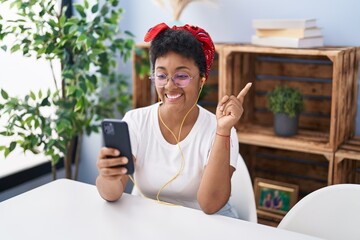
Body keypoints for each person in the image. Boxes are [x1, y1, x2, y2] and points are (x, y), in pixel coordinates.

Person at [95, 22, 252, 218]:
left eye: (181, 76)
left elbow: (211, 205)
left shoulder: (220, 130)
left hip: (206, 225)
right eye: (161, 75)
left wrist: (222, 131)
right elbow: (112, 194)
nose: (170, 85)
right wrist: (107, 175)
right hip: (151, 222)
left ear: (202, 80)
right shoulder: (135, 122)